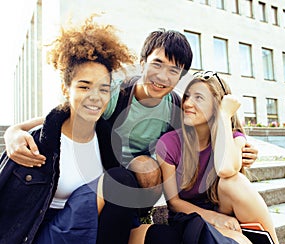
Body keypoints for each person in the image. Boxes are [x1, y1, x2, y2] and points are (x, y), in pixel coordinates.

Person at [0, 17, 193, 244]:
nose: (96, 96)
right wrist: (15, 130)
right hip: (53, 240)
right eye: (84, 86)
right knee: (119, 180)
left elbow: (199, 139)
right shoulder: (40, 143)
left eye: (102, 89)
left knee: (164, 239)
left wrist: (239, 144)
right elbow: (60, 115)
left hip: (104, 212)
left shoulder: (110, 134)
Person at [3, 29, 258, 215]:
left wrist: (241, 146)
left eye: (174, 70)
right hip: (102, 163)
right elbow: (67, 112)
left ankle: (139, 215)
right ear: (142, 62)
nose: (162, 77)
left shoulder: (177, 106)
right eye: (157, 64)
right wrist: (15, 131)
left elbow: (206, 132)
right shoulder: (115, 92)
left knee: (147, 167)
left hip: (142, 175)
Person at [155, 71, 284, 244]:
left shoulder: (233, 137)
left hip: (223, 207)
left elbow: (225, 170)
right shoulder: (169, 143)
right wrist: (215, 218)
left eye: (199, 98)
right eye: (187, 96)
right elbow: (173, 202)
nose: (187, 103)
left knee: (233, 181)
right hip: (190, 218)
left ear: (216, 106)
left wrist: (225, 115)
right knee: (236, 241)